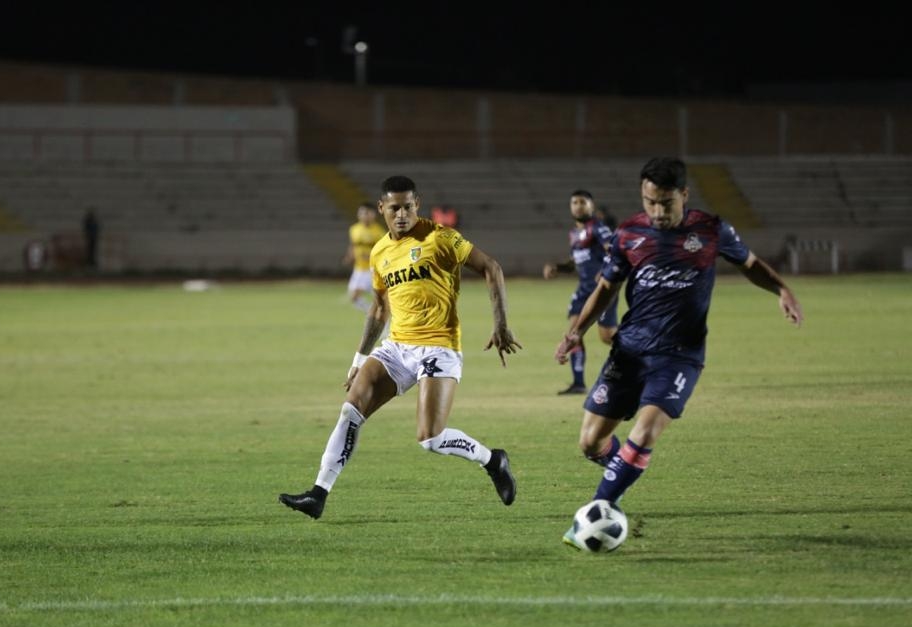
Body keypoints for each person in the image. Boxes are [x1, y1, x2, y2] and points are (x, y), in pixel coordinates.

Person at [553, 157, 803, 549]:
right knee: (590, 443)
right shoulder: (629, 233)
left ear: (684, 196)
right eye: (649, 201)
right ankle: (623, 469)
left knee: (647, 429)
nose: (657, 211)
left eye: (665, 203)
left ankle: (599, 508)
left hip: (679, 356)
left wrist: (782, 289)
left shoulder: (711, 230)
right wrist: (574, 332)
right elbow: (605, 289)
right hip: (630, 351)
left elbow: (750, 265)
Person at [280, 175, 522, 519]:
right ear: (382, 208)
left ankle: (493, 460)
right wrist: (359, 359)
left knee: (430, 439)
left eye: (408, 206)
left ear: (417, 205)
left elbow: (491, 267)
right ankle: (318, 494)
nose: (402, 214)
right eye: (395, 207)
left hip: (439, 347)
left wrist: (500, 324)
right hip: (397, 347)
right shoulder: (380, 252)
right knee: (351, 411)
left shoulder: (440, 238)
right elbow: (379, 308)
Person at [543, 189, 618, 395]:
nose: (578, 206)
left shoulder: (598, 228)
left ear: (591, 206)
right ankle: (578, 383)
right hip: (583, 289)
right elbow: (575, 262)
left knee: (607, 336)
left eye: (583, 202)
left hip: (601, 289)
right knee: (572, 334)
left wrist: (605, 271)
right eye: (574, 202)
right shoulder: (575, 233)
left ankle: (643, 352)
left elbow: (613, 249)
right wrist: (558, 268)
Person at [343, 203, 387, 311]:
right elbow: (353, 245)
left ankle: (378, 318)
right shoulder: (354, 229)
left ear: (373, 215)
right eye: (361, 213)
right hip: (358, 268)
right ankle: (376, 317)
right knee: (355, 298)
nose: (364, 215)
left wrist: (371, 257)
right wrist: (349, 256)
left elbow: (384, 252)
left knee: (356, 296)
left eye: (367, 213)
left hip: (372, 270)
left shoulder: (379, 232)